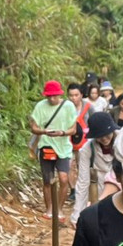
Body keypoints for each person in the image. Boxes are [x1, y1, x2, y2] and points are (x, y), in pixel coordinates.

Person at [28, 80, 77, 220]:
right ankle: (49, 208)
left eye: (54, 96)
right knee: (47, 180)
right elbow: (33, 127)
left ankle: (59, 209)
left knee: (63, 178)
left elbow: (73, 130)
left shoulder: (68, 106)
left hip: (63, 147)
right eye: (49, 96)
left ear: (59, 94)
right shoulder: (40, 106)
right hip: (46, 145)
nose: (51, 99)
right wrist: (44, 131)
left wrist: (62, 133)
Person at [70, 110, 118, 226]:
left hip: (121, 188)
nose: (104, 139)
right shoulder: (88, 149)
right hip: (99, 189)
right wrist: (77, 215)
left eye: (107, 134)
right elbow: (83, 181)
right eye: (100, 136)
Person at [66, 83, 91, 225]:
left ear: (81, 95)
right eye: (71, 95)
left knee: (83, 168)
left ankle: (83, 193)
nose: (73, 98)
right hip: (68, 142)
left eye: (76, 95)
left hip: (84, 143)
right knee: (69, 166)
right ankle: (73, 190)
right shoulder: (65, 108)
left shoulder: (89, 107)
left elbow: (93, 120)